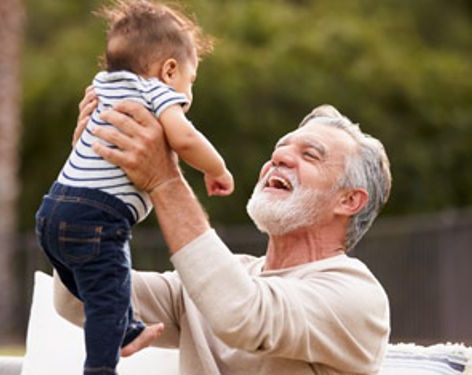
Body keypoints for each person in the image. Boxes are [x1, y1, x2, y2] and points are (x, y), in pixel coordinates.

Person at [53, 99, 393, 374]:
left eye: (310, 155)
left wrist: (165, 180)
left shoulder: (357, 295)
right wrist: (91, 177)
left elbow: (241, 315)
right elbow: (78, 300)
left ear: (349, 200)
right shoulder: (224, 279)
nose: (279, 157)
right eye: (281, 148)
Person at [34, 1, 233, 374]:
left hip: (52, 211)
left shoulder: (102, 85)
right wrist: (217, 169)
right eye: (191, 82)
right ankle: (100, 368)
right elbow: (185, 139)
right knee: (108, 297)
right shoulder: (156, 92)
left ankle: (126, 329)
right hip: (96, 216)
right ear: (170, 70)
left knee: (103, 286)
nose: (189, 93)